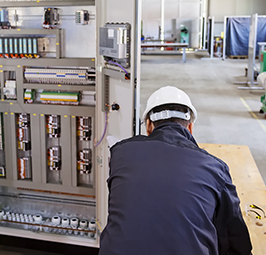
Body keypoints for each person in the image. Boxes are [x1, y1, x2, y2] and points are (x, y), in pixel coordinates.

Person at [99, 86, 252, 255]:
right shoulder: (215, 168)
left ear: (148, 126)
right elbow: (235, 240)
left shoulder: (121, 153)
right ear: (190, 127)